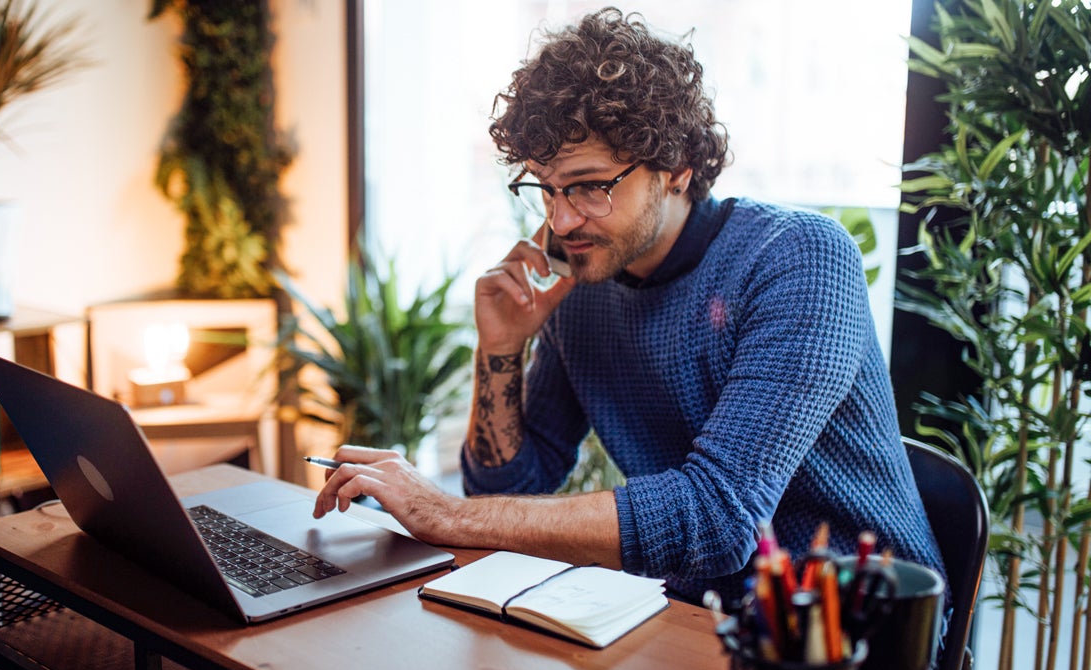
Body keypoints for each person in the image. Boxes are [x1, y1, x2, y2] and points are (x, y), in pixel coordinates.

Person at [312, 7, 946, 605]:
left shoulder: (797, 259)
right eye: (546, 189)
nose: (560, 220)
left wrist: (444, 510)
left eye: (589, 186)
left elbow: (718, 517)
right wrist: (501, 348)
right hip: (692, 615)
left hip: (858, 626)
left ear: (676, 166)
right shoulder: (582, 283)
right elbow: (510, 492)